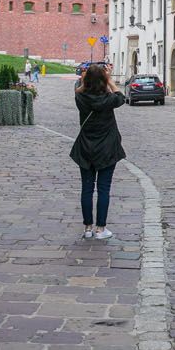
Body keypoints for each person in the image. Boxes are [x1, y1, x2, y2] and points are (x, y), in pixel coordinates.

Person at [70, 63, 127, 240]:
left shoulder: (80, 98)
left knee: (86, 189)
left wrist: (85, 79)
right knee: (103, 189)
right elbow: (120, 96)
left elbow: (79, 89)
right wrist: (109, 80)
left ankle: (88, 228)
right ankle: (101, 229)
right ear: (103, 80)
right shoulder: (109, 99)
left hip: (86, 147)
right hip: (107, 149)